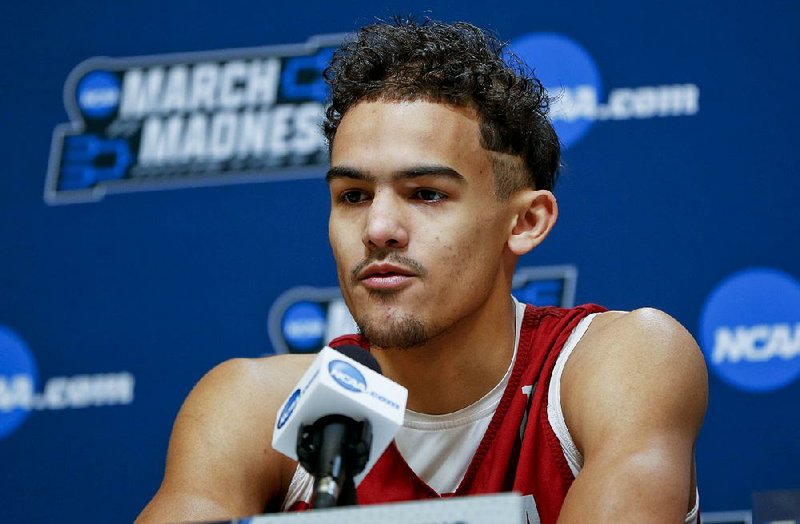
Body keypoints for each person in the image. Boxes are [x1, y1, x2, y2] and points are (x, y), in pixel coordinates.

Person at [137, 18, 707, 524]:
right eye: (354, 195)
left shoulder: (622, 363)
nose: (379, 227)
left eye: (427, 193)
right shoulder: (255, 406)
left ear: (526, 222)